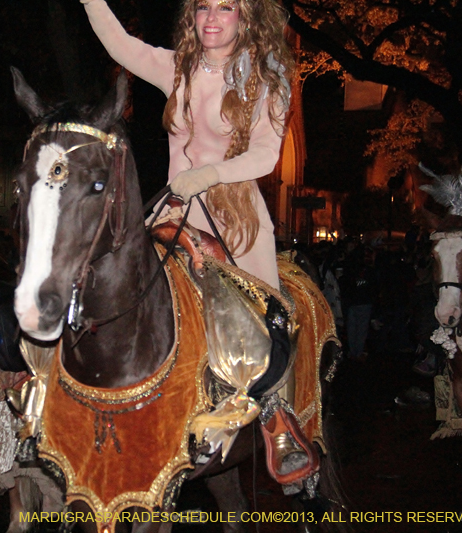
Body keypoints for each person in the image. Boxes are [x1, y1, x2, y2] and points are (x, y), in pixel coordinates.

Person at [81, 0, 313, 487]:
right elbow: (120, 45)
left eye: (225, 7)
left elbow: (267, 155)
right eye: (203, 6)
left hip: (237, 223)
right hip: (173, 216)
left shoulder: (265, 79)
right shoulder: (176, 68)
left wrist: (209, 174)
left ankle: (279, 423)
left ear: (245, 18)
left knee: (267, 325)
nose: (212, 17)